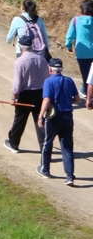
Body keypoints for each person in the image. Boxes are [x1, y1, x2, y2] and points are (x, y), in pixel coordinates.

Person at [4, 29, 50, 154]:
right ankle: (45, 148)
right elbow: (47, 78)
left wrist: (13, 98)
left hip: (25, 94)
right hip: (41, 93)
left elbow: (17, 84)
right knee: (40, 120)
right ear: (31, 46)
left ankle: (14, 144)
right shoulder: (42, 59)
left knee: (20, 120)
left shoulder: (20, 62)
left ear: (20, 47)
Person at [37, 58, 79, 186]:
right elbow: (77, 99)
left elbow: (46, 100)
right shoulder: (69, 80)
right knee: (67, 146)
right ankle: (70, 176)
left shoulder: (48, 81)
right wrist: (67, 102)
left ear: (50, 69)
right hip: (68, 116)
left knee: (47, 143)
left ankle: (45, 170)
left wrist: (40, 116)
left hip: (54, 117)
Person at [64, 0, 93, 101]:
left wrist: (68, 46)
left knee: (85, 73)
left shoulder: (75, 20)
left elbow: (69, 36)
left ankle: (86, 92)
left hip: (81, 52)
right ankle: (87, 91)